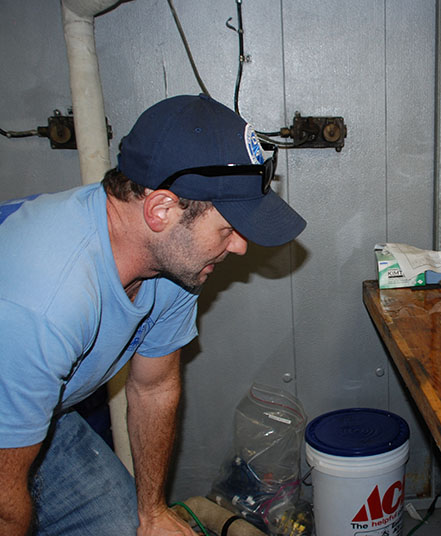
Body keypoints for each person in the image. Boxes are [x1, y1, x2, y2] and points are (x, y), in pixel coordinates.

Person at [0, 94, 306, 535]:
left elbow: (154, 386)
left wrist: (153, 512)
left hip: (40, 411)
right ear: (161, 209)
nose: (240, 246)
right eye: (228, 228)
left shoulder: (173, 263)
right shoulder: (45, 301)